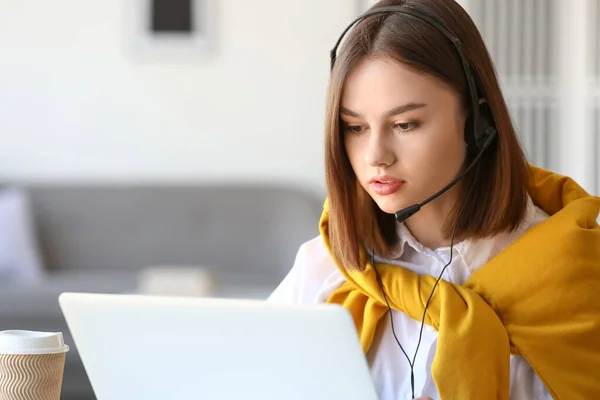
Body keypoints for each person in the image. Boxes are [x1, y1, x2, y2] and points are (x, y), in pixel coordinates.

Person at [268, 0, 600, 399]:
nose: (376, 155)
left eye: (405, 124)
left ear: (478, 122)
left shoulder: (572, 271)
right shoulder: (325, 271)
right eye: (354, 127)